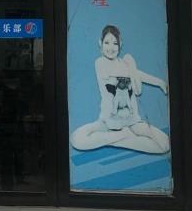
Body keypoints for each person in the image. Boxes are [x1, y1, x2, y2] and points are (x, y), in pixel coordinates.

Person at [70, 24, 170, 155]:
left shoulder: (126, 65)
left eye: (115, 43)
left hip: (132, 123)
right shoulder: (100, 62)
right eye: (107, 43)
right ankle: (122, 136)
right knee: (76, 139)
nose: (111, 48)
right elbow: (123, 72)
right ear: (100, 43)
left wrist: (159, 82)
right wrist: (131, 63)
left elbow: (139, 75)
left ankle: (118, 138)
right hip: (108, 122)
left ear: (120, 44)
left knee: (164, 144)